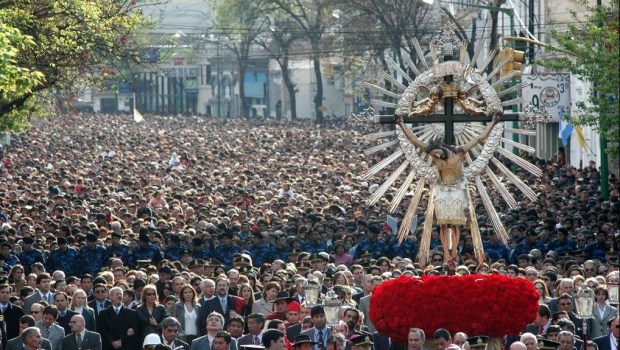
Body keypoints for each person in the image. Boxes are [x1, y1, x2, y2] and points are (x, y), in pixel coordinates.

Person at [395, 112, 502, 265]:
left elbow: (480, 138)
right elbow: (413, 140)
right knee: (444, 224)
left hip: (457, 190)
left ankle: (453, 252)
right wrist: (401, 124)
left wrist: (492, 122)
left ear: (441, 148)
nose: (435, 157)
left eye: (436, 153)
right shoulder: (435, 154)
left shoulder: (460, 151)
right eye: (433, 155)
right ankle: (446, 253)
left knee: (455, 224)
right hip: (442, 190)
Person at [98, 286, 138, 350]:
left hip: (125, 346)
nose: (119, 296)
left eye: (121, 294)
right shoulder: (103, 313)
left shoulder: (131, 313)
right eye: (117, 294)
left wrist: (121, 341)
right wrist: (112, 341)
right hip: (108, 346)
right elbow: (102, 330)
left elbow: (132, 330)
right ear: (111, 297)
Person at [0, 282, 24, 347]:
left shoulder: (18, 310)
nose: (5, 294)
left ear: (10, 294)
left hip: (13, 345)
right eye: (2, 292)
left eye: (7, 292)